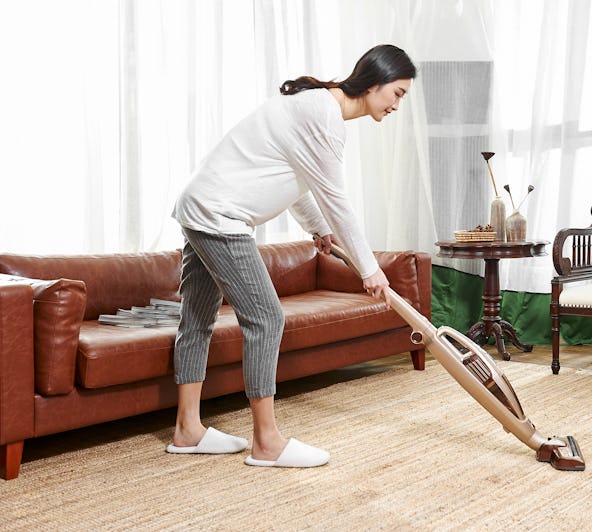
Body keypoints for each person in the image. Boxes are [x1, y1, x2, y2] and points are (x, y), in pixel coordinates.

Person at [166, 44, 416, 468]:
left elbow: (295, 179)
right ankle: (267, 442)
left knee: (197, 318)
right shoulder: (323, 115)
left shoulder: (316, 106)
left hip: (200, 208)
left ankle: (188, 430)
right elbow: (336, 198)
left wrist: (317, 228)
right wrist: (371, 270)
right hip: (220, 216)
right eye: (397, 93)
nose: (396, 105)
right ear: (374, 83)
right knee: (266, 318)